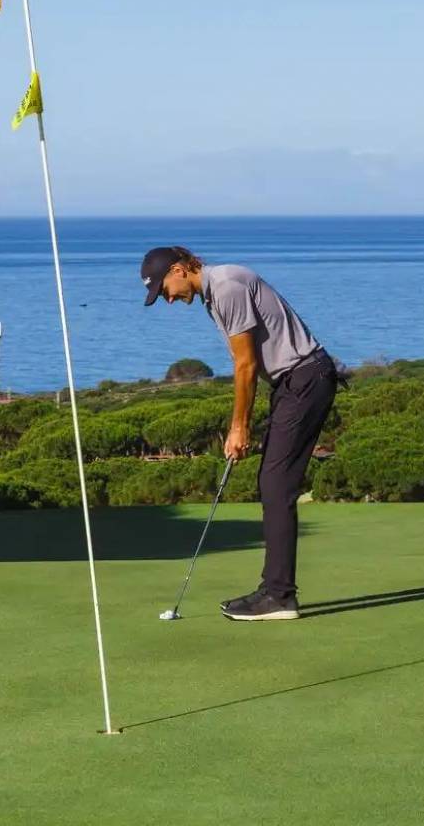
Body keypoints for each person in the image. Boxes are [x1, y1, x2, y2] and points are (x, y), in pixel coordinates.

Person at [140, 245, 342, 621]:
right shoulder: (216, 291)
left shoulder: (227, 286)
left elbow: (245, 365)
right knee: (274, 482)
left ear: (179, 270)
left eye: (163, 289)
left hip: (304, 379)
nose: (167, 299)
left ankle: (279, 596)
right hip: (294, 382)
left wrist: (239, 427)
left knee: (276, 484)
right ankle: (275, 591)